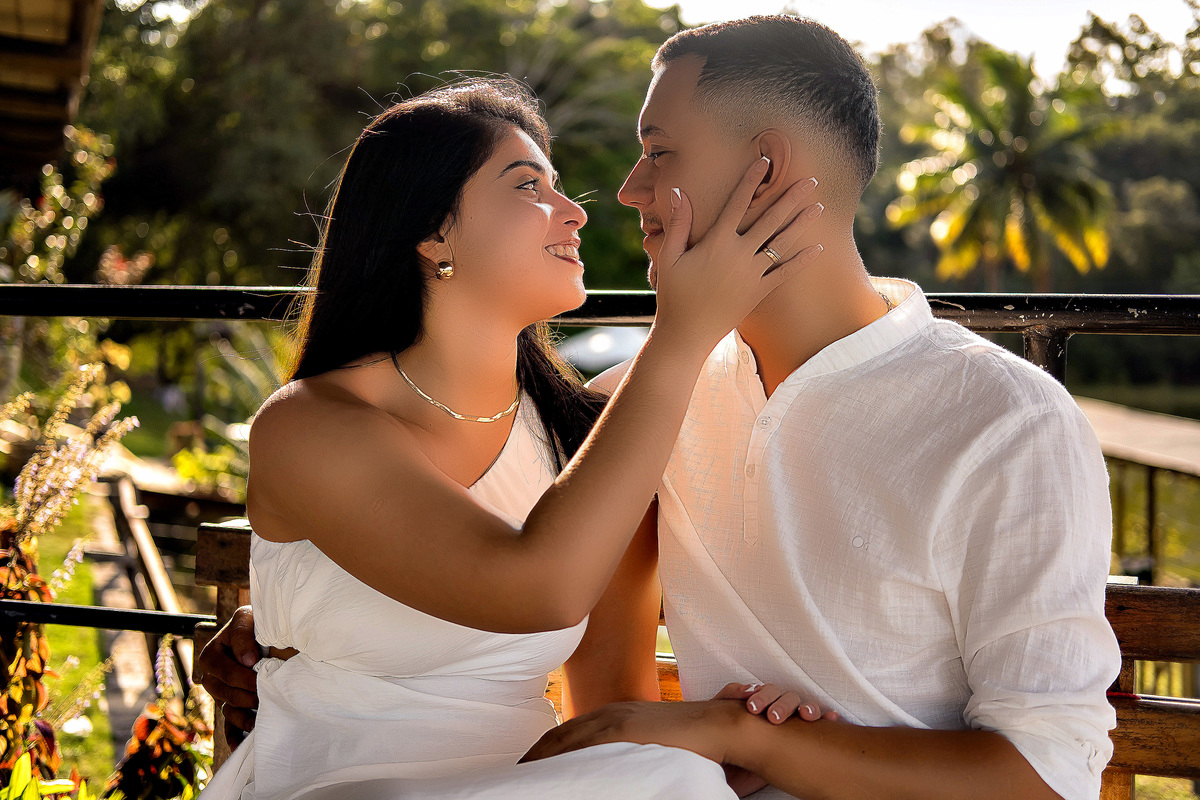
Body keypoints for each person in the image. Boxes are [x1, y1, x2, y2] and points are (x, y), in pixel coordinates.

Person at [204, 16, 1121, 800]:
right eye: (536, 188)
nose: (621, 196)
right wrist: (296, 638)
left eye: (657, 154)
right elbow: (594, 684)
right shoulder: (635, 410)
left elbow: (1051, 774)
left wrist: (747, 739)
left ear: (769, 168)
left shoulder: (1003, 422)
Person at [196, 75, 823, 800]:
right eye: (529, 187)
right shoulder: (307, 424)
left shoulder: (582, 434)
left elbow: (609, 696)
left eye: (557, 186)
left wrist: (739, 732)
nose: (574, 214)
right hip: (337, 781)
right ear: (433, 234)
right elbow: (538, 591)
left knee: (674, 775)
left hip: (526, 780)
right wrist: (681, 333)